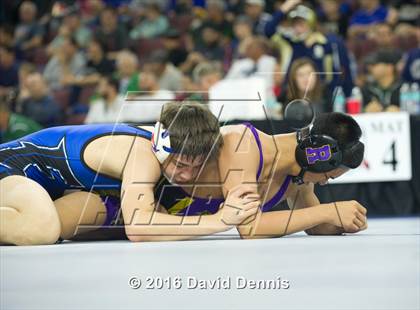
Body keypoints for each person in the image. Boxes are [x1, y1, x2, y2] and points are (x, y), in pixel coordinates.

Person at [0, 102, 255, 245]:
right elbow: (139, 227)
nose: (187, 176)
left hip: (40, 185)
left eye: (196, 167)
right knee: (41, 228)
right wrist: (220, 221)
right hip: (10, 168)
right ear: (161, 146)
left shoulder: (165, 146)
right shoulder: (142, 154)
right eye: (179, 165)